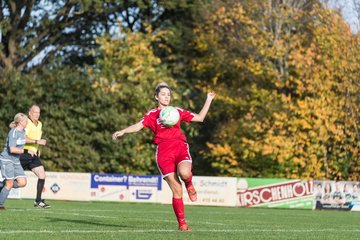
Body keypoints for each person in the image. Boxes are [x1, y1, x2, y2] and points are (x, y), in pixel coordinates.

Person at [112, 83, 216, 232]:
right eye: (163, 94)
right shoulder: (152, 115)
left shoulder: (176, 111)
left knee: (185, 173)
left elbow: (200, 118)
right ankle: (182, 225)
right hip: (163, 152)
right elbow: (138, 126)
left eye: (168, 94)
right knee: (177, 191)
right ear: (156, 97)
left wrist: (209, 99)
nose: (167, 96)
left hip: (180, 147)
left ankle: (190, 184)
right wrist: (123, 131)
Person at [0, 113, 34, 210]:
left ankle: (2, 184)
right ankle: (0, 205)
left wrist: (36, 142)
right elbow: (12, 149)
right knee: (10, 183)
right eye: (25, 120)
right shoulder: (13, 132)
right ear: (20, 122)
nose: (27, 122)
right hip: (7, 160)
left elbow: (24, 140)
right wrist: (27, 151)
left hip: (16, 160)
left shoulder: (23, 131)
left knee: (22, 182)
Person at [19, 105, 50, 208]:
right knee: (11, 178)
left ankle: (38, 201)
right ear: (29, 113)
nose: (37, 114)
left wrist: (39, 149)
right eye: (35, 112)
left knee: (42, 175)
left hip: (33, 155)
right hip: (23, 153)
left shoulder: (40, 124)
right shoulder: (26, 122)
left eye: (38, 112)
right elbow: (23, 138)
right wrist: (37, 141)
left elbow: (39, 139)